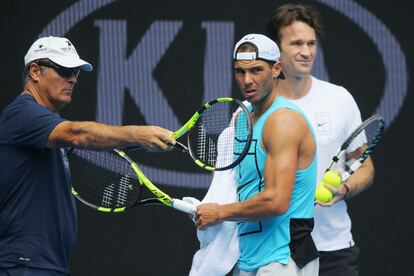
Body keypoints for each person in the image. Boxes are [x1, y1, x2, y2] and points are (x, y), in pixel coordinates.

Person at [0, 36, 175, 275]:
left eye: (75, 72)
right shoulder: (23, 114)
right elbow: (78, 134)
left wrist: (139, 142)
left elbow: (91, 142)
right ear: (35, 71)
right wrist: (136, 133)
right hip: (24, 264)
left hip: (46, 264)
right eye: (63, 70)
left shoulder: (46, 129)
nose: (72, 78)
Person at [196, 33, 319, 276]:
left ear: (277, 69)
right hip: (248, 258)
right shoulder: (242, 118)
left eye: (256, 70)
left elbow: (276, 201)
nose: (247, 80)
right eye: (240, 71)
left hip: (284, 259)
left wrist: (220, 212)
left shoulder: (284, 121)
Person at [266, 4, 375, 276]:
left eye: (311, 43)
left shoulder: (339, 99)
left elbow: (365, 165)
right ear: (276, 50)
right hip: (274, 251)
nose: (306, 51)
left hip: (334, 250)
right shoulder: (256, 109)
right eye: (296, 43)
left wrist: (344, 190)